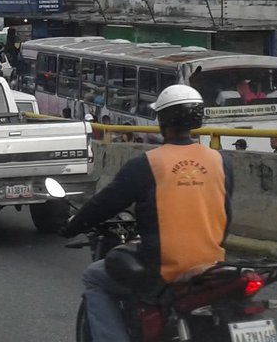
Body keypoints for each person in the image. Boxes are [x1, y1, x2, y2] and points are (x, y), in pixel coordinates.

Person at [59, 84, 233, 342]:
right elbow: (226, 215)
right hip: (212, 265)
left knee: (94, 276)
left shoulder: (147, 164)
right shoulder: (221, 161)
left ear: (162, 119)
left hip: (164, 268)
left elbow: (106, 202)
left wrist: (73, 226)